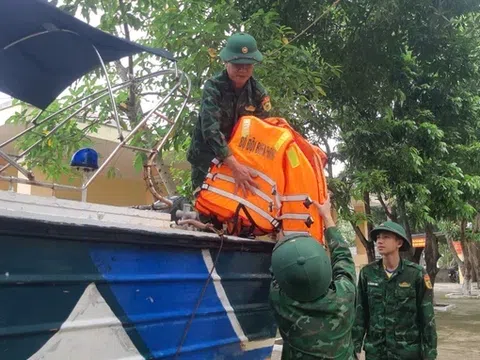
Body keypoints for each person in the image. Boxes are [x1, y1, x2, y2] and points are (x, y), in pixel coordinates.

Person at [269, 196, 357, 359]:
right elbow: (344, 258)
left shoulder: (282, 303)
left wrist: (279, 229)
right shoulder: (344, 296)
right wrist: (327, 217)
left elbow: (278, 269)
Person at [187, 32, 271, 196]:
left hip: (242, 162)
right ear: (226, 62)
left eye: (248, 65)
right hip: (207, 159)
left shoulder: (258, 94)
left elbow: (263, 134)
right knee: (205, 208)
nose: (243, 69)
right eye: (237, 64)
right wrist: (233, 164)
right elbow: (210, 130)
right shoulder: (213, 87)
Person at [352, 221, 437, 360]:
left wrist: (430, 353)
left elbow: (427, 317)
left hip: (407, 352)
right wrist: (355, 346)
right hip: (376, 351)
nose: (380, 241)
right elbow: (360, 313)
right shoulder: (367, 273)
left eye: (386, 237)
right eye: (378, 237)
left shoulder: (416, 274)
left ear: (399, 243)